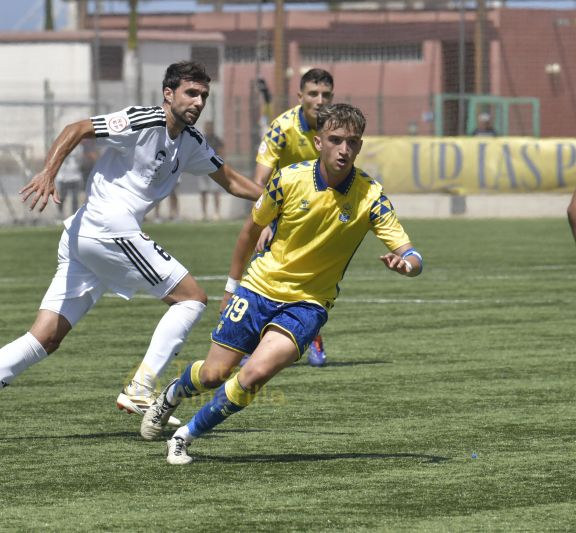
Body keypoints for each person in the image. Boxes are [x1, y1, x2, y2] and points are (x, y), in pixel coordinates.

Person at [0, 61, 263, 443]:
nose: (199, 101)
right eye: (191, 92)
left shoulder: (191, 143)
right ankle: (141, 388)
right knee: (191, 298)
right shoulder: (143, 120)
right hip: (107, 227)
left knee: (45, 337)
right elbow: (77, 129)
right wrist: (48, 173)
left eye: (204, 95)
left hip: (87, 237)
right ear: (168, 94)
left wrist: (277, 194)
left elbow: (233, 181)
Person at [140, 103, 424, 465]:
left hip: (309, 304)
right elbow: (250, 230)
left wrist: (407, 266)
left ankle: (185, 436)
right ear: (319, 142)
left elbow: (413, 254)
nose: (344, 149)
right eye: (335, 140)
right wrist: (231, 286)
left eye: (352, 142)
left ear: (360, 146)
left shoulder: (370, 195)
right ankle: (172, 394)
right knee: (213, 374)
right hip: (258, 289)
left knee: (255, 373)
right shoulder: (289, 178)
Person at [229, 68, 334, 367]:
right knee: (262, 271)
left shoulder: (335, 130)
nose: (320, 100)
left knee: (310, 276)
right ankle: (249, 342)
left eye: (326, 94)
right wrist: (264, 222)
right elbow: (260, 179)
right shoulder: (282, 127)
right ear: (300, 97)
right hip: (281, 209)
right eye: (313, 94)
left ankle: (311, 335)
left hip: (321, 212)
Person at [197, 121, 224, 220]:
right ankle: (204, 214)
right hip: (202, 169)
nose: (208, 129)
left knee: (215, 191)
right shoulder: (201, 139)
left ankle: (216, 213)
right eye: (207, 127)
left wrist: (220, 165)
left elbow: (221, 152)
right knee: (203, 191)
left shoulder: (216, 140)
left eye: (210, 127)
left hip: (213, 169)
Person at [54, 143, 84, 220]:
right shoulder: (60, 146)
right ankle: (60, 215)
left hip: (75, 177)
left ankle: (75, 217)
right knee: (62, 198)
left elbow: (80, 159)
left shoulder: (78, 147)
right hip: (63, 177)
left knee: (75, 199)